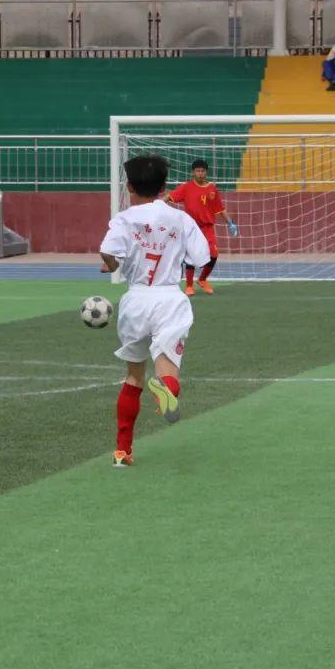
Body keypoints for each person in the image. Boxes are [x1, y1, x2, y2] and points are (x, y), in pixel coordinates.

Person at [99, 155, 211, 467]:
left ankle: (122, 451)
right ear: (164, 187)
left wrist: (112, 265)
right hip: (168, 298)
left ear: (129, 186)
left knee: (133, 377)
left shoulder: (124, 218)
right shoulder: (180, 218)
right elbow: (201, 257)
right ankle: (167, 387)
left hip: (135, 299)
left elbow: (107, 251)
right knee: (168, 371)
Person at [166, 159, 238, 295]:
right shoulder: (186, 187)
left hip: (207, 228)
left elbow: (221, 209)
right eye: (197, 171)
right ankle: (189, 286)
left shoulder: (212, 189)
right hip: (191, 228)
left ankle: (202, 279)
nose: (200, 173)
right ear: (193, 172)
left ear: (206, 172)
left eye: (202, 171)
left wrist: (230, 223)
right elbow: (169, 196)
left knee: (214, 254)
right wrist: (157, 206)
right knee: (191, 256)